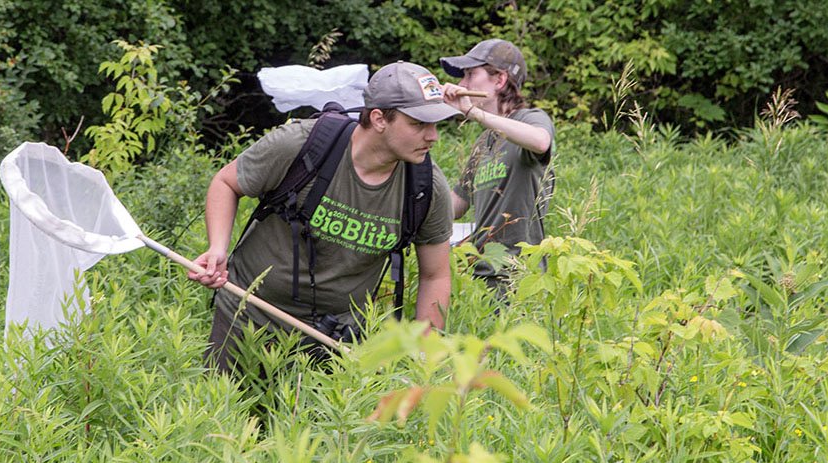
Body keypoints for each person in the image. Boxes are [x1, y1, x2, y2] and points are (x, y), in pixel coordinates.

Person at [188, 61, 459, 373]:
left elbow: (435, 275)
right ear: (379, 118)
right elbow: (226, 182)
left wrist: (424, 351)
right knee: (226, 418)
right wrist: (218, 248)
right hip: (248, 317)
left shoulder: (426, 187)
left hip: (336, 340)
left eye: (436, 124)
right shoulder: (300, 145)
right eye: (419, 124)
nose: (433, 136)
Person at [439, 39, 555, 289]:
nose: (462, 84)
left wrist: (474, 113)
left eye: (470, 74)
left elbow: (541, 141)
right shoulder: (483, 141)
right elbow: (455, 206)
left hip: (520, 275)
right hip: (481, 274)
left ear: (499, 80)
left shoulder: (532, 119)